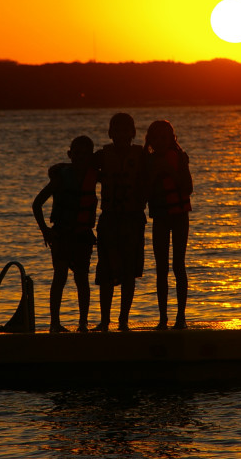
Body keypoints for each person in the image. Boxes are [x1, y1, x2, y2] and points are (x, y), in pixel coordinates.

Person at [32, 135, 98, 333]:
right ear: (70, 154)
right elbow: (37, 204)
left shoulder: (94, 175)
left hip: (83, 235)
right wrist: (45, 230)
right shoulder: (60, 178)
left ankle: (83, 323)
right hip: (61, 235)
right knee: (59, 276)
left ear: (91, 156)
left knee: (82, 278)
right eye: (76, 153)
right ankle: (54, 324)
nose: (80, 157)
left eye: (85, 154)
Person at [93, 113, 147, 331]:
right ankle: (104, 320)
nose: (122, 135)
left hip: (133, 219)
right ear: (110, 133)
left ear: (133, 133)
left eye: (126, 130)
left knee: (128, 271)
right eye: (117, 130)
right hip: (109, 219)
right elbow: (81, 167)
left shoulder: (142, 155)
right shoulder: (102, 156)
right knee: (106, 271)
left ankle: (123, 319)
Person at [144, 120, 193, 330]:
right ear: (151, 141)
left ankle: (180, 317)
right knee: (161, 268)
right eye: (157, 138)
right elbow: (144, 193)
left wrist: (171, 172)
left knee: (178, 266)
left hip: (180, 216)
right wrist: (155, 173)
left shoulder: (180, 159)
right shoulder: (148, 162)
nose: (161, 141)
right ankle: (163, 319)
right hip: (161, 218)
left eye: (165, 137)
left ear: (172, 139)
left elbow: (188, 189)